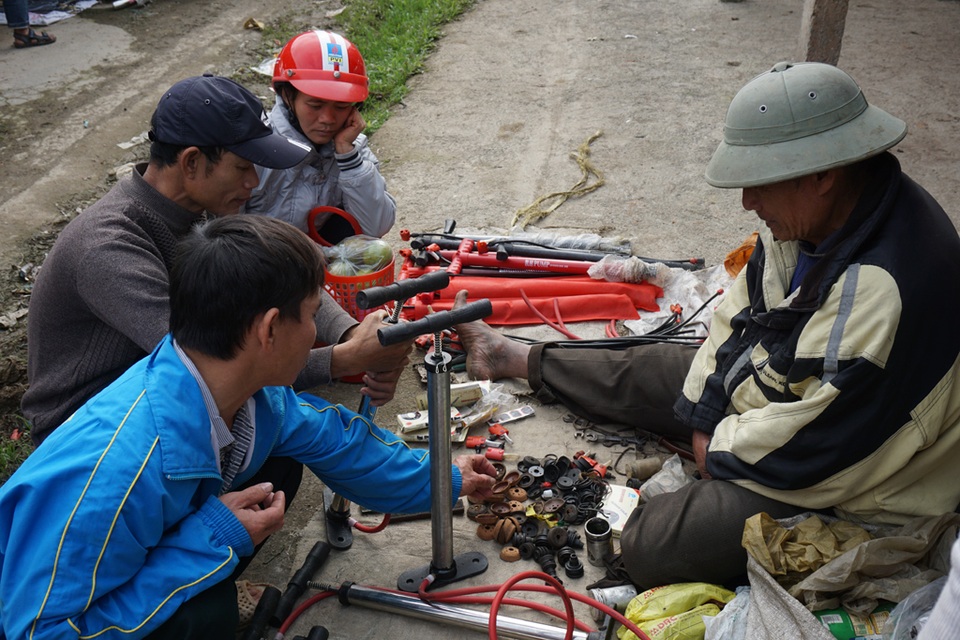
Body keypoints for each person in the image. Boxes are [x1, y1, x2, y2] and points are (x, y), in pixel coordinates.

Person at [454, 61, 960, 590]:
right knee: (655, 364)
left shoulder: (884, 287)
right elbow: (738, 319)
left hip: (858, 483)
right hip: (791, 405)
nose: (748, 202)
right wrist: (706, 411)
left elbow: (819, 446)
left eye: (760, 183)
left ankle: (683, 502)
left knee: (658, 542)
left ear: (822, 174)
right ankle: (510, 356)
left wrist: (717, 445)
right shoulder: (827, 211)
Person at [0, 214, 497, 640]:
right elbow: (38, 630)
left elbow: (344, 447)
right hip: (41, 612)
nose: (316, 331)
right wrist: (212, 538)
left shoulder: (250, 396)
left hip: (126, 549)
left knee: (278, 468)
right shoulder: (115, 473)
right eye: (310, 315)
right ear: (269, 329)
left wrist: (446, 479)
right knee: (204, 613)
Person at [21, 74, 410, 448]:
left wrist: (352, 334)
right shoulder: (108, 247)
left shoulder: (203, 210)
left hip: (159, 398)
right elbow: (204, 367)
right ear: (191, 163)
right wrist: (343, 360)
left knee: (294, 438)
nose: (253, 184)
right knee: (285, 432)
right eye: (243, 168)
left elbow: (281, 272)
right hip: (93, 431)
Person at [241, 29, 397, 241]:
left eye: (341, 106)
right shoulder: (254, 151)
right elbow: (225, 238)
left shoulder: (353, 148)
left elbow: (375, 227)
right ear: (287, 96)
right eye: (315, 105)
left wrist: (347, 156)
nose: (328, 119)